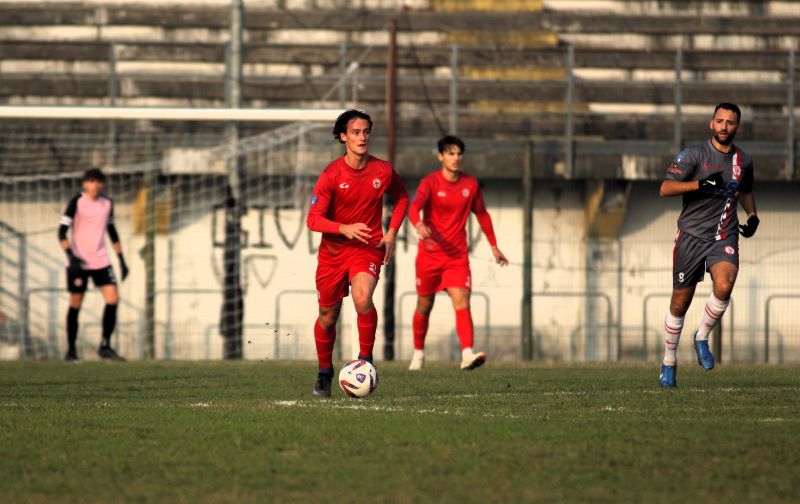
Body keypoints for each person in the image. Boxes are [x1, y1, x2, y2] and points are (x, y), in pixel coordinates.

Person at [306, 109, 409, 397]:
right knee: (328, 317)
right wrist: (343, 228)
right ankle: (324, 372)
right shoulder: (331, 175)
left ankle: (365, 361)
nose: (362, 137)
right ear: (343, 137)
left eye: (365, 132)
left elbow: (402, 197)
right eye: (355, 132)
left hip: (367, 248)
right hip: (333, 254)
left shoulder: (383, 170)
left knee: (363, 297)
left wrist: (390, 233)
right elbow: (313, 219)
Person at [658, 103, 759, 388]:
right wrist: (699, 185)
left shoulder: (744, 161)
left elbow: (746, 190)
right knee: (680, 302)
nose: (724, 127)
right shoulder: (694, 155)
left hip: (724, 235)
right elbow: (665, 188)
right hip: (690, 236)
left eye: (730, 123)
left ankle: (701, 337)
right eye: (720, 121)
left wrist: (753, 215)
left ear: (737, 127)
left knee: (725, 284)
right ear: (711, 124)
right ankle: (668, 361)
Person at [407, 135, 509, 371]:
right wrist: (419, 224)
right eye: (450, 153)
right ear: (440, 156)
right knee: (424, 305)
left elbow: (482, 214)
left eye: (459, 154)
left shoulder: (470, 185)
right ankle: (418, 355)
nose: (456, 158)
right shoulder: (430, 183)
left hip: (456, 257)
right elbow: (415, 206)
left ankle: (466, 354)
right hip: (430, 256)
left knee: (462, 302)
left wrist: (494, 245)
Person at [59, 168, 129, 361]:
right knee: (76, 302)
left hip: (101, 261)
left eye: (99, 181)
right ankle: (71, 350)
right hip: (79, 262)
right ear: (85, 184)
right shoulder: (77, 202)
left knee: (113, 298)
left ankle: (105, 345)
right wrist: (71, 257)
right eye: (91, 181)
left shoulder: (107, 204)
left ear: (103, 184)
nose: (95, 185)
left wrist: (121, 260)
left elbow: (112, 231)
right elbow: (61, 232)